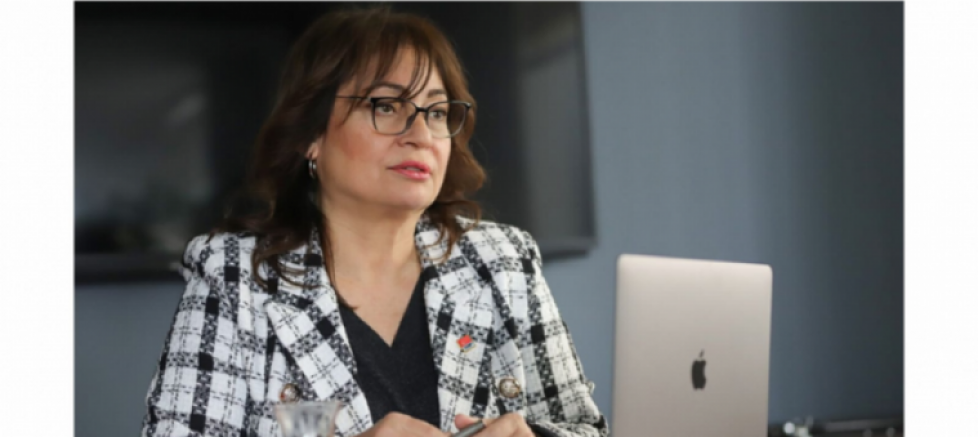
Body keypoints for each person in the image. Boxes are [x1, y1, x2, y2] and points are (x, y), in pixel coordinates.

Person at [141, 6, 607, 437]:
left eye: (437, 111)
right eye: (385, 106)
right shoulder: (236, 277)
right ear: (311, 136)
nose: (421, 134)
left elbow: (585, 427)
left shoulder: (502, 262)